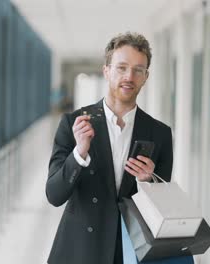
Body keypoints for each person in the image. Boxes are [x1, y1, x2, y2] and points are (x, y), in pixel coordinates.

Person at [46, 32, 174, 264]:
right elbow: (54, 195)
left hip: (131, 252)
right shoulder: (74, 124)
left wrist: (148, 183)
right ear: (106, 71)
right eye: (121, 67)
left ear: (146, 77)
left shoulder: (160, 134)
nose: (129, 76)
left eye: (138, 70)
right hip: (80, 252)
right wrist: (79, 154)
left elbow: (162, 209)